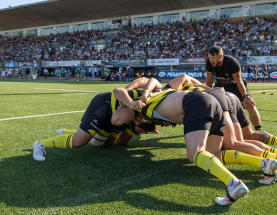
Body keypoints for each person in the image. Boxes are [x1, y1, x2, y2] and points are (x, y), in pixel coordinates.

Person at [111, 87, 249, 205]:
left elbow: (116, 112)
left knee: (194, 153)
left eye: (140, 130)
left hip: (195, 103)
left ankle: (234, 184)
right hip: (211, 101)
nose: (145, 132)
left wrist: (128, 104)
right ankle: (264, 162)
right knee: (214, 155)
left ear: (136, 119)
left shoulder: (142, 105)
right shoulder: (155, 94)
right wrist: (143, 94)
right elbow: (153, 80)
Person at [32, 89, 145, 161]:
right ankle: (41, 144)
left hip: (119, 117)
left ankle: (66, 132)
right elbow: (118, 90)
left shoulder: (154, 113)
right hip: (104, 106)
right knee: (78, 142)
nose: (163, 126)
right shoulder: (149, 94)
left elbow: (122, 142)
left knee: (102, 143)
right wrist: (130, 102)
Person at [205, 45, 262, 131]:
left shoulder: (232, 62)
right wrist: (206, 95)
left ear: (221, 56)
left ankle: (259, 130)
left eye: (213, 57)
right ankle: (213, 129)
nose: (211, 60)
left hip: (236, 84)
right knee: (211, 105)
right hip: (221, 86)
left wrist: (245, 97)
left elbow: (239, 81)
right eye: (210, 57)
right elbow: (209, 79)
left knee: (249, 105)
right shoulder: (209, 63)